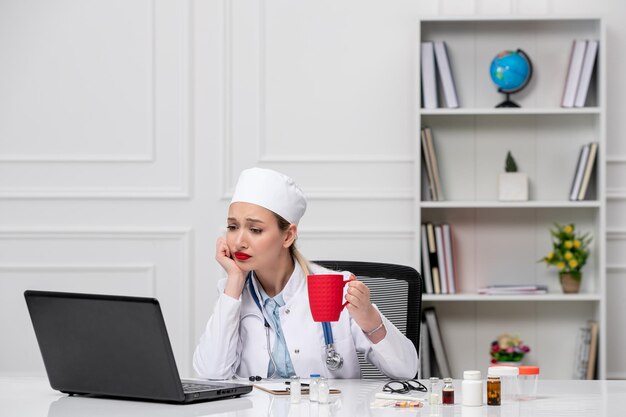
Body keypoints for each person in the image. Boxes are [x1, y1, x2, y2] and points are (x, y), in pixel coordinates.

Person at [193, 167, 418, 380]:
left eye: (255, 229)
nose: (239, 241)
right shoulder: (232, 293)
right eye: (232, 227)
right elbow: (211, 375)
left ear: (288, 236)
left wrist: (369, 317)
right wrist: (234, 282)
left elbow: (406, 370)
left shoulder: (337, 288)